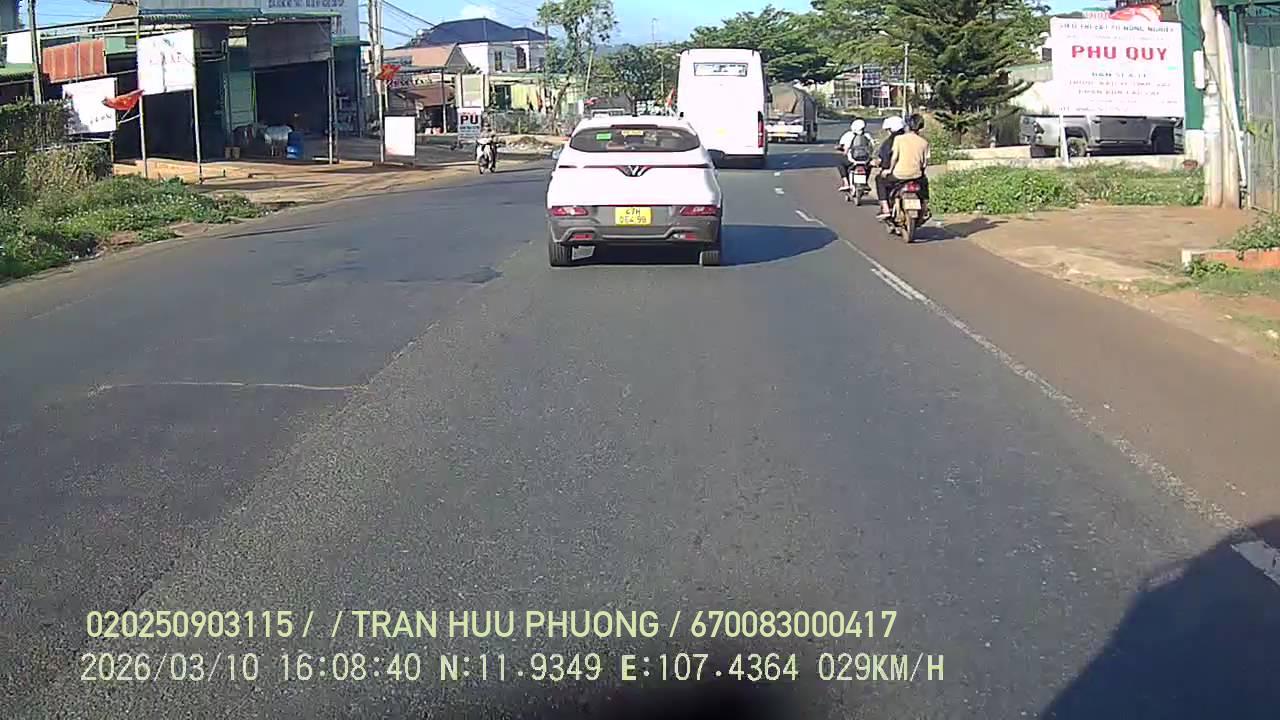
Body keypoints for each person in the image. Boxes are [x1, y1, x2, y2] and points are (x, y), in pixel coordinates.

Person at [883, 113, 930, 219]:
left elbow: (894, 157)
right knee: (925, 186)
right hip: (917, 175)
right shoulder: (924, 142)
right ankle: (925, 207)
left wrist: (889, 170)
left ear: (908, 126)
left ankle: (886, 208)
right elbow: (924, 163)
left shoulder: (899, 139)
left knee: (881, 180)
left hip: (899, 175)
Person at [873, 115, 905, 217]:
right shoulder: (911, 139)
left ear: (891, 129)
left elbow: (885, 160)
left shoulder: (889, 143)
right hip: (915, 174)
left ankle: (885, 208)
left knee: (879, 179)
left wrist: (881, 165)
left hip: (896, 175)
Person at [836, 118, 875, 190]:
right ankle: (865, 182)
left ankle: (846, 183)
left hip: (852, 160)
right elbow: (872, 147)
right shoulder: (867, 135)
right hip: (865, 160)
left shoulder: (849, 135)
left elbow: (845, 149)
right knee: (869, 167)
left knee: (840, 163)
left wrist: (843, 151)